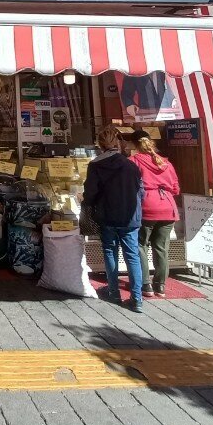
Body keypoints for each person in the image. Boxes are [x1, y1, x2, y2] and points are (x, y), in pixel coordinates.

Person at [81, 125, 144, 313]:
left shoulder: (95, 165)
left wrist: (86, 203)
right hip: (130, 216)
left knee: (110, 251)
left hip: (107, 215)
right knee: (132, 255)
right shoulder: (130, 165)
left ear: (100, 145)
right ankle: (137, 298)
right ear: (117, 143)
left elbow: (90, 193)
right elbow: (141, 191)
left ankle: (114, 291)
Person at [127, 129, 180, 298]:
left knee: (140, 245)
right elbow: (176, 189)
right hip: (168, 207)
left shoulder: (133, 161)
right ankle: (160, 285)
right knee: (161, 248)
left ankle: (145, 284)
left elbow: (129, 185)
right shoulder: (166, 163)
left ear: (134, 145)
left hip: (146, 207)